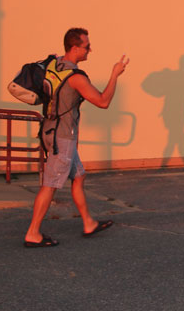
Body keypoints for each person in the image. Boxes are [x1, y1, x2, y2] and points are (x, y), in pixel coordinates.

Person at [24, 27, 129, 247]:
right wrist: (114, 75)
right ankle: (33, 233)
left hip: (51, 131)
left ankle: (88, 222)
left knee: (79, 176)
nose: (90, 50)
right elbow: (103, 101)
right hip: (62, 138)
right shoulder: (75, 78)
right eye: (86, 46)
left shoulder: (54, 64)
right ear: (74, 48)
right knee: (50, 185)